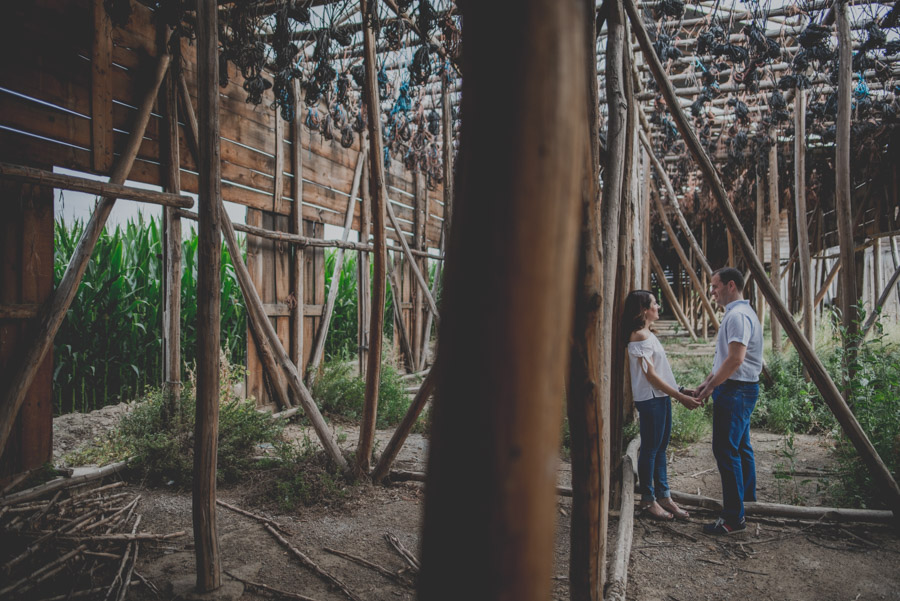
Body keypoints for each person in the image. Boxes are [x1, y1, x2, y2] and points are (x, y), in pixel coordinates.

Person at [694, 267, 763, 535]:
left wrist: (712, 386)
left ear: (730, 285)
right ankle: (746, 503)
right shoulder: (742, 313)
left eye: (715, 286)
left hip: (736, 390)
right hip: (739, 388)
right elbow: (727, 358)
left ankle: (734, 518)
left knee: (725, 450)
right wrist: (709, 379)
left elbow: (736, 359)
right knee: (741, 447)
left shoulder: (737, 316)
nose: (711, 291)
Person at [624, 290, 701, 521]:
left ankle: (663, 496)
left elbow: (659, 372)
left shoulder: (647, 333)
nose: (658, 306)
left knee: (659, 449)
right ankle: (648, 500)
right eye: (654, 303)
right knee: (650, 449)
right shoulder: (638, 336)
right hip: (651, 399)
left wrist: (679, 390)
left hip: (660, 398)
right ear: (644, 310)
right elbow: (651, 377)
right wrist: (681, 398)